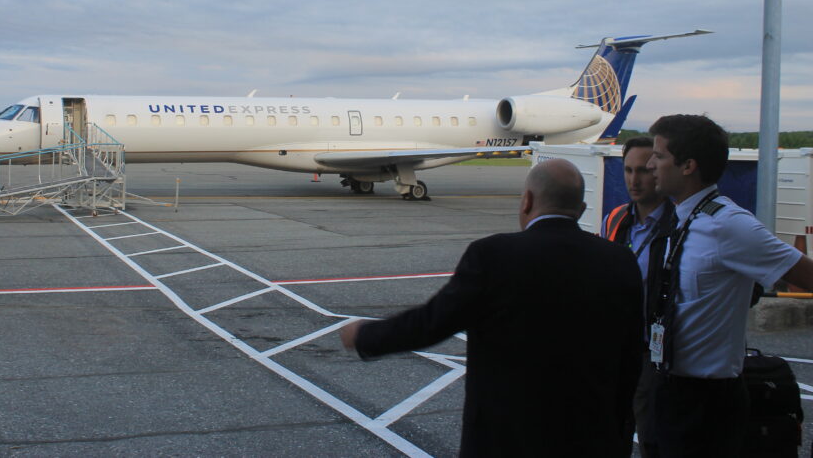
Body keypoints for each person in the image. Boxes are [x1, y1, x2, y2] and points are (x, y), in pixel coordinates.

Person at [340, 158, 643, 457]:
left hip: (506, 438)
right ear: (581, 210)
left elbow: (433, 322)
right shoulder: (619, 260)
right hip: (592, 439)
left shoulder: (493, 255)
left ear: (526, 201)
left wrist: (366, 336)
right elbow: (631, 359)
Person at [644, 114, 813, 457]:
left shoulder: (730, 225)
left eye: (659, 156)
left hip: (709, 400)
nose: (650, 165)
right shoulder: (681, 217)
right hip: (668, 386)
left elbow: (803, 272)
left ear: (688, 165)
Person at [603, 136, 676, 457]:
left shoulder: (681, 224)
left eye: (644, 171)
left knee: (651, 436)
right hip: (617, 348)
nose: (634, 179)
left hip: (656, 354)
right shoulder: (616, 219)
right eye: (628, 170)